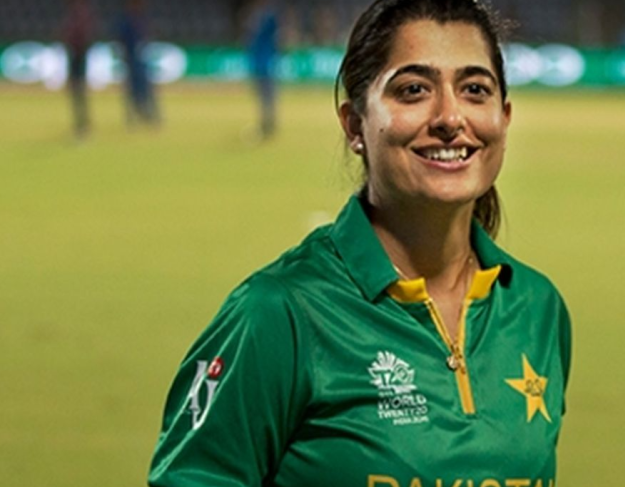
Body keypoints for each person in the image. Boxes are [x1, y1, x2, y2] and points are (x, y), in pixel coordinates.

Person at [148, 1, 572, 486]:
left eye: (475, 90)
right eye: (414, 90)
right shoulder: (279, 314)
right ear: (355, 125)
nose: (450, 117)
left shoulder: (537, 308)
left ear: (504, 117)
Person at [117, 0, 159, 127]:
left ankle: (147, 113)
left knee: (145, 89)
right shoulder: (127, 21)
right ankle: (134, 115)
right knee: (132, 89)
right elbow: (122, 40)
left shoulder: (140, 20)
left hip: (140, 60)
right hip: (131, 60)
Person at [244, 0, 280, 138]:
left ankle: (268, 124)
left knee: (268, 96)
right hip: (258, 63)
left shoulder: (268, 17)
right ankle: (265, 123)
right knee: (262, 96)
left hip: (266, 64)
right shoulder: (257, 17)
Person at [62, 0, 94, 139]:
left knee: (78, 92)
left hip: (77, 56)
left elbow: (80, 37)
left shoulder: (79, 15)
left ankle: (82, 123)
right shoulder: (79, 14)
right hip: (77, 55)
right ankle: (82, 122)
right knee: (78, 93)